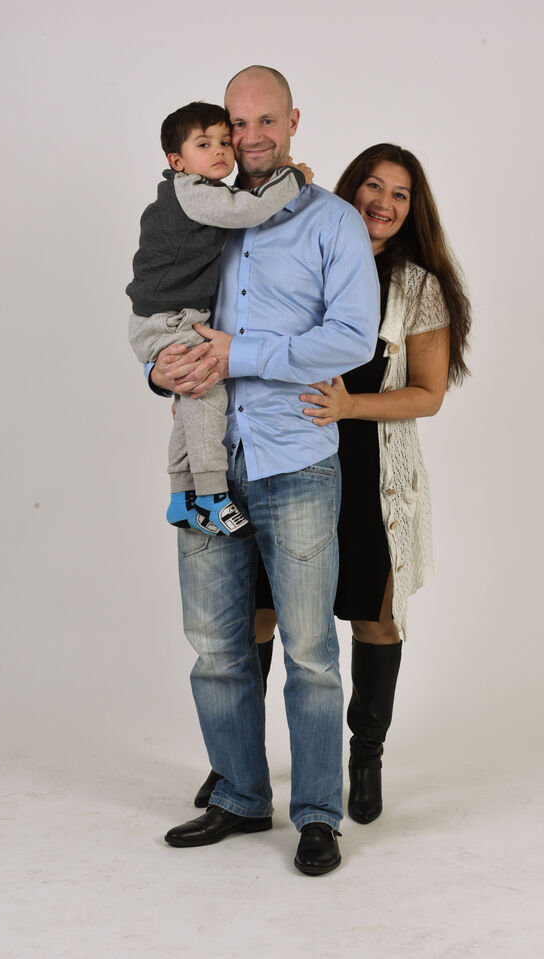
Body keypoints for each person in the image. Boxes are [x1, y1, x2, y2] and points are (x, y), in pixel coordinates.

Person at [150, 65, 380, 876]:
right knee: (215, 646)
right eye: (237, 123)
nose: (249, 137)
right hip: (204, 461)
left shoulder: (332, 220)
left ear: (292, 122)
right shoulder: (198, 214)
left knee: (310, 651)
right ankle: (242, 795)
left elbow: (352, 336)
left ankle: (317, 813)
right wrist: (156, 370)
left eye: (265, 121)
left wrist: (240, 354)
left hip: (296, 461)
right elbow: (160, 310)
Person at [298, 143, 471, 824]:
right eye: (373, 185)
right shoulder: (307, 254)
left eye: (401, 194)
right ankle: (240, 763)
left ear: (412, 209)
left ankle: (365, 757)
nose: (384, 202)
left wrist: (349, 407)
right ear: (350, 191)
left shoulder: (418, 288)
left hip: (373, 476)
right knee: (264, 608)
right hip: (290, 464)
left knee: (375, 614)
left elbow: (427, 393)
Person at [127, 101, 307, 537]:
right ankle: (212, 496)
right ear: (177, 161)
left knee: (190, 399)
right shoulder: (193, 191)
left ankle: (181, 498)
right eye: (204, 144)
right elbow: (244, 210)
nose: (221, 151)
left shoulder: (191, 192)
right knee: (206, 390)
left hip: (160, 318)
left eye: (225, 141)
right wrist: (292, 179)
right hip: (170, 318)